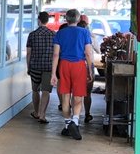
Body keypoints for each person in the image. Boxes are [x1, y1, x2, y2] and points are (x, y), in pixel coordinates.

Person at [50, 8, 93, 140]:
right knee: (78, 97)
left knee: (65, 97)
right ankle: (75, 121)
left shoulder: (60, 33)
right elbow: (88, 53)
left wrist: (53, 74)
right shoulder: (84, 32)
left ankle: (68, 124)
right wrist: (91, 69)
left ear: (66, 19)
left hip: (64, 65)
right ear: (78, 19)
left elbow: (56, 54)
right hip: (79, 65)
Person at [25, 11, 54, 123]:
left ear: (39, 20)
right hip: (48, 67)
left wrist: (28, 67)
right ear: (47, 20)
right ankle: (42, 115)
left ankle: (36, 112)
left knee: (35, 90)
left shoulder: (32, 35)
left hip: (35, 66)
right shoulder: (54, 34)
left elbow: (28, 53)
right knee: (46, 91)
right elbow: (56, 52)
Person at [77, 14, 99, 122]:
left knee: (76, 93)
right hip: (88, 66)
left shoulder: (74, 36)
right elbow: (98, 50)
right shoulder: (91, 36)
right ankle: (87, 114)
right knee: (87, 93)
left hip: (76, 65)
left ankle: (75, 116)